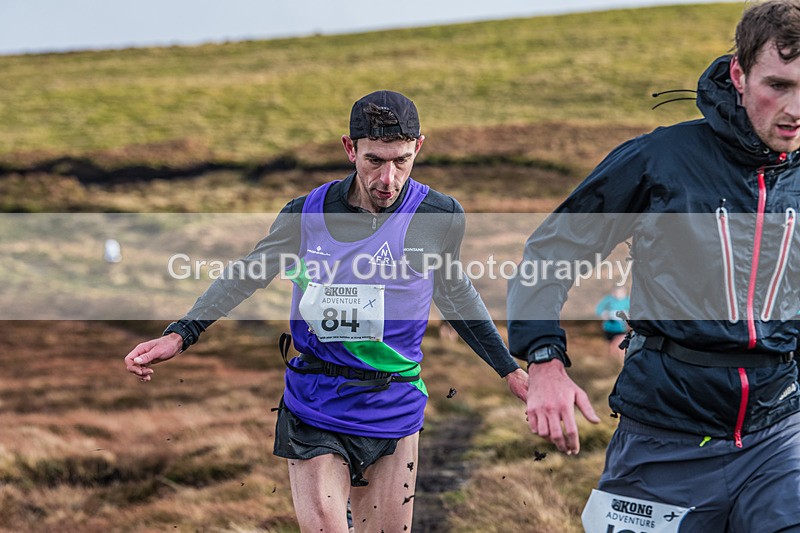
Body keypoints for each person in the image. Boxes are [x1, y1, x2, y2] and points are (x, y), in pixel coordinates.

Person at [125, 90, 528, 532]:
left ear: (419, 148)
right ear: (349, 148)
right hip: (316, 403)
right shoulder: (305, 214)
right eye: (374, 160)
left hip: (393, 404)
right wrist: (180, 334)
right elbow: (246, 274)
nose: (388, 179)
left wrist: (509, 369)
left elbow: (456, 296)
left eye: (401, 161)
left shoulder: (439, 215)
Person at [507, 1, 800, 531]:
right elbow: (551, 252)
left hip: (780, 439)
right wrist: (544, 360)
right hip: (663, 440)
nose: (795, 109)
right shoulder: (659, 159)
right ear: (738, 73)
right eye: (778, 85)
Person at [594, 286, 629, 361]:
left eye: (621, 292)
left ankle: (620, 361)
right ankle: (610, 360)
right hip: (609, 327)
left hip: (622, 327)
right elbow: (599, 309)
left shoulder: (627, 300)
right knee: (609, 344)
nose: (619, 294)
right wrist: (604, 314)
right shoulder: (608, 299)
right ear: (613, 292)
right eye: (617, 292)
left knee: (620, 344)